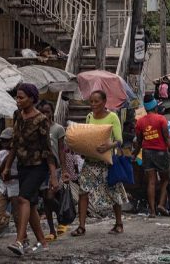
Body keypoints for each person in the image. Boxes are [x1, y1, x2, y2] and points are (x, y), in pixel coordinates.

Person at [1, 83, 58, 255]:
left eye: (21, 97)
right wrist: (7, 166)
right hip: (23, 165)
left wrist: (53, 175)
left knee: (23, 199)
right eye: (17, 97)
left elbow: (48, 149)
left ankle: (20, 241)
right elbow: (15, 144)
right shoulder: (18, 116)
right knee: (31, 205)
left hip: (38, 166)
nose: (17, 101)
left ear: (32, 99)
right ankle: (42, 242)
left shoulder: (41, 119)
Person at [71, 90, 125, 236]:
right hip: (90, 162)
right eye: (91, 102)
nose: (93, 104)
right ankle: (81, 227)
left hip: (107, 163)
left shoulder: (113, 117)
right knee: (83, 192)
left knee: (113, 192)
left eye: (96, 101)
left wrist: (108, 146)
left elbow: (119, 141)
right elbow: (87, 136)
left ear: (104, 102)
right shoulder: (89, 117)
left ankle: (119, 223)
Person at [134, 94, 170, 218]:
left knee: (151, 183)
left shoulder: (140, 122)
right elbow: (167, 139)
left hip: (147, 153)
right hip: (161, 153)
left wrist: (135, 155)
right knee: (165, 179)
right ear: (155, 107)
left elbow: (139, 142)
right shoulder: (161, 119)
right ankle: (161, 204)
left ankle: (152, 212)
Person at [0, 128, 26, 246]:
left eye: (7, 141)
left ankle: (22, 238)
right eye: (3, 141)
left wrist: (11, 175)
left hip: (15, 187)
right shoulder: (0, 154)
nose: (4, 144)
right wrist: (7, 160)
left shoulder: (20, 155)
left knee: (17, 215)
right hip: (3, 188)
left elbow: (23, 174)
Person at [37, 101, 68, 241]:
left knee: (50, 196)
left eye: (47, 111)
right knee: (45, 199)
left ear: (51, 112)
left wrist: (64, 169)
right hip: (40, 168)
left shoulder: (58, 129)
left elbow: (61, 150)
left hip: (55, 168)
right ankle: (51, 230)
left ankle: (63, 216)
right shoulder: (36, 128)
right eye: (42, 112)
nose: (45, 114)